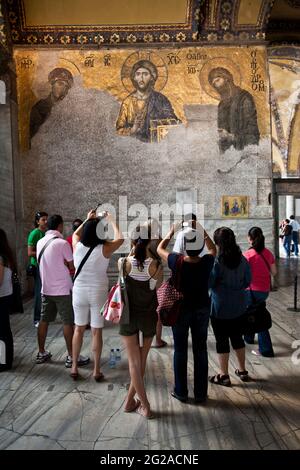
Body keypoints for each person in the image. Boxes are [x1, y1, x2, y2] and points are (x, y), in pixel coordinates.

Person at [157, 222, 216, 404]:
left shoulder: (177, 261)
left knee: (180, 350)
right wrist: (201, 230)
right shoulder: (207, 262)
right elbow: (213, 248)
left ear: (184, 246)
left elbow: (160, 248)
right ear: (199, 247)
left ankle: (181, 391)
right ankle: (200, 394)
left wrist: (172, 231)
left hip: (181, 310)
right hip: (201, 309)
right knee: (201, 349)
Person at [70, 210, 123, 381]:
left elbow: (75, 234)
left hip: (78, 291)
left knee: (78, 329)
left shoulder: (77, 245)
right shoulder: (105, 249)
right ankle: (96, 370)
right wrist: (111, 219)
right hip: (98, 292)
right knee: (96, 332)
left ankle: (74, 367)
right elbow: (120, 238)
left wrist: (87, 219)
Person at [119, 221, 163, 419]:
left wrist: (132, 250)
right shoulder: (155, 265)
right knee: (141, 361)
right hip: (148, 316)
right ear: (149, 241)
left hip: (128, 317)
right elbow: (156, 288)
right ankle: (143, 404)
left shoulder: (123, 263)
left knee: (134, 363)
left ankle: (132, 402)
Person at [35, 214, 89, 368]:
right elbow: (72, 266)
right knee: (68, 322)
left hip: (46, 288)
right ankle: (72, 356)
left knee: (43, 320)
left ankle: (41, 352)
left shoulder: (40, 242)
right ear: (59, 226)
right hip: (62, 289)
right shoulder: (62, 243)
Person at [209, 227, 251, 386]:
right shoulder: (243, 259)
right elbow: (248, 281)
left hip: (220, 307)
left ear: (218, 243)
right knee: (237, 338)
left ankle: (224, 375)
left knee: (221, 341)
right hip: (239, 306)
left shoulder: (217, 262)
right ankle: (242, 371)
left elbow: (209, 283)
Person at [116, 59, 180, 142]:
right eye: (138, 74)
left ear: (152, 77)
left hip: (156, 144)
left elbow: (172, 122)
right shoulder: (127, 102)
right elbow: (118, 130)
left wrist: (157, 125)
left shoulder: (161, 99)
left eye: (145, 74)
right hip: (133, 146)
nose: (141, 78)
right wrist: (133, 129)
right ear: (134, 77)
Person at [208, 67, 260, 153]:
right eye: (214, 84)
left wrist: (231, 137)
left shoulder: (244, 98)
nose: (216, 85)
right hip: (228, 155)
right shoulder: (221, 105)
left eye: (217, 80)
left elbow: (252, 134)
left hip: (244, 152)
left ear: (226, 78)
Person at [243, 227, 277, 357]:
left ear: (250, 239)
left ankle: (266, 349)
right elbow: (274, 272)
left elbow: (242, 274)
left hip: (250, 291)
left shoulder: (247, 255)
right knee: (255, 312)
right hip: (264, 291)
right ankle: (249, 337)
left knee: (257, 317)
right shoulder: (268, 253)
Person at [30, 68, 73, 140]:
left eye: (66, 86)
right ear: (52, 85)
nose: (63, 89)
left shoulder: (70, 108)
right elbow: (33, 137)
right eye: (60, 84)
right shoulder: (40, 107)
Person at [27, 211, 48, 327]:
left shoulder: (46, 233)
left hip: (45, 266)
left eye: (46, 219)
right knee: (39, 292)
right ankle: (36, 318)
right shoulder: (34, 233)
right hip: (37, 266)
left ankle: (45, 316)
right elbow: (30, 253)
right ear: (37, 221)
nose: (45, 222)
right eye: (43, 220)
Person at [0, 229, 15, 372]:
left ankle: (4, 362)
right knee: (4, 330)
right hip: (5, 296)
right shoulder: (6, 255)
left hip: (1, 297)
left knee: (2, 332)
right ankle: (6, 360)